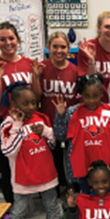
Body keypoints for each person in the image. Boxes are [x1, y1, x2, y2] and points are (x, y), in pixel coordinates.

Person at [0, 83, 63, 219]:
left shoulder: (41, 118)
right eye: (25, 103)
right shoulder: (7, 124)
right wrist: (18, 127)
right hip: (23, 179)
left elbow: (52, 144)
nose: (30, 107)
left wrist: (46, 131)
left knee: (52, 207)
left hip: (46, 175)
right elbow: (8, 151)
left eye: (33, 103)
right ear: (14, 105)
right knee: (18, 213)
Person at [0, 21, 34, 203]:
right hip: (3, 122)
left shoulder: (28, 63)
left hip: (26, 121)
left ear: (18, 39)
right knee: (7, 168)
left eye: (11, 38)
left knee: (26, 164)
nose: (8, 43)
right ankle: (12, 208)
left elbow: (35, 95)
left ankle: (27, 206)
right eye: (2, 39)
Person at [54, 75, 110, 193]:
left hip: (105, 165)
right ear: (81, 95)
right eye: (87, 96)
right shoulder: (73, 112)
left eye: (95, 96)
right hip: (82, 165)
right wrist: (61, 116)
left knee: (104, 198)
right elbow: (61, 136)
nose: (91, 100)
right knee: (86, 198)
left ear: (102, 94)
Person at [32, 32, 79, 189]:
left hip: (69, 124)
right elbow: (36, 96)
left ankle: (70, 188)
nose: (59, 50)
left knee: (70, 159)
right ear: (48, 48)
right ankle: (56, 190)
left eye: (63, 47)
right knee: (52, 160)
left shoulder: (74, 71)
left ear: (69, 49)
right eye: (55, 47)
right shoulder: (42, 68)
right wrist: (36, 76)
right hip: (48, 123)